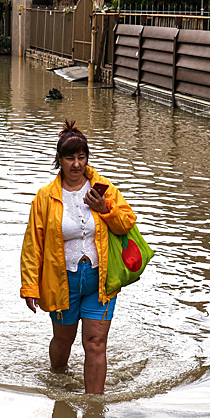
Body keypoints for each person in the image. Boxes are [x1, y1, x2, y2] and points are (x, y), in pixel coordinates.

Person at [20, 120, 137, 394]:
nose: (76, 164)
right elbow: (32, 245)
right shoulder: (45, 197)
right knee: (63, 340)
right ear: (59, 160)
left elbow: (127, 223)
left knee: (96, 343)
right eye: (70, 158)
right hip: (62, 280)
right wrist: (30, 286)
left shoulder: (103, 188)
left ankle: (94, 406)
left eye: (81, 157)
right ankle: (58, 382)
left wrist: (105, 208)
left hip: (99, 280)